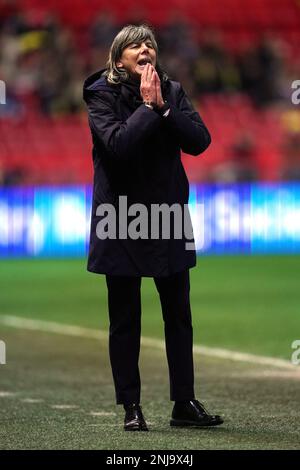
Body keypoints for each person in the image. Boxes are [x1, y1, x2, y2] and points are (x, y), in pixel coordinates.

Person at [83, 24, 223, 431]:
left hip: (168, 216)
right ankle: (131, 408)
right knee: (125, 317)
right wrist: (146, 108)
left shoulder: (172, 90)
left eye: (150, 45)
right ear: (118, 58)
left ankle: (184, 402)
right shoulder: (100, 93)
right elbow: (119, 146)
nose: (145, 49)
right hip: (121, 216)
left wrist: (163, 108)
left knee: (179, 314)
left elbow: (199, 141)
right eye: (135, 45)